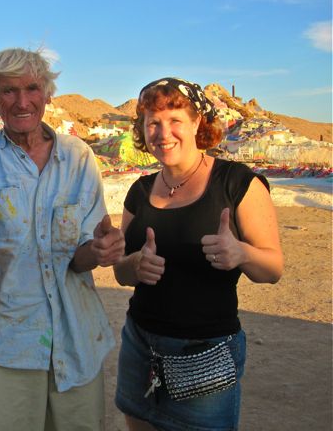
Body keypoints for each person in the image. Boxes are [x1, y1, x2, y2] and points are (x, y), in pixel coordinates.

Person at [0, 47, 125, 430]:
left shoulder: (79, 157)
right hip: (3, 346)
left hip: (76, 341)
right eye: (9, 91)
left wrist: (97, 250)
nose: (22, 101)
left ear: (48, 94)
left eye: (32, 88)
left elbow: (79, 259)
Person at [113, 77, 284, 431]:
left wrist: (241, 253)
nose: (163, 133)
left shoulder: (236, 183)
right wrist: (135, 264)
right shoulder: (139, 190)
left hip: (203, 351)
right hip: (139, 344)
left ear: (196, 124)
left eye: (175, 120)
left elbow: (272, 269)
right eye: (153, 123)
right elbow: (121, 273)